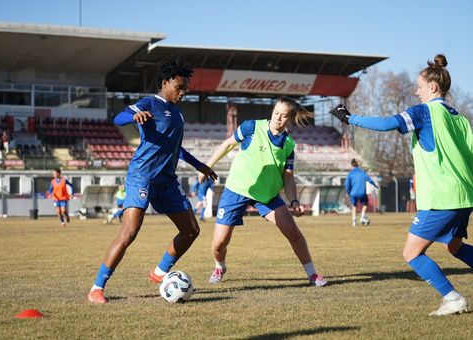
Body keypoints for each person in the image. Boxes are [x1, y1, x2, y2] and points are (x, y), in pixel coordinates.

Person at [330, 54, 473, 316]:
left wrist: (350, 119)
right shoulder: (461, 119)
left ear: (432, 87)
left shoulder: (425, 111)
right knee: (454, 247)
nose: (416, 92)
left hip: (442, 198)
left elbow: (388, 124)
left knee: (412, 253)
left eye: (419, 87)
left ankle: (453, 299)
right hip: (464, 197)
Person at [87, 59, 217, 304]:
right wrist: (134, 116)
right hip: (142, 176)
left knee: (191, 230)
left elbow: (175, 148)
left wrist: (199, 164)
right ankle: (97, 288)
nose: (183, 92)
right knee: (130, 232)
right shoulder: (149, 103)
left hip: (166, 180)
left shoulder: (178, 113)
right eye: (179, 87)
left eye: (185, 88)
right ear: (166, 82)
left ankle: (159, 273)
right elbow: (118, 119)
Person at [199, 96, 327, 287]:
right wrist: (207, 166)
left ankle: (312, 274)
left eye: (284, 116)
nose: (278, 118)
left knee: (293, 232)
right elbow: (227, 145)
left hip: (267, 196)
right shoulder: (251, 127)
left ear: (290, 118)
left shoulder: (288, 145)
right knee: (219, 243)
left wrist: (294, 201)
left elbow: (288, 175)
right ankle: (219, 266)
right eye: (276, 113)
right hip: (236, 189)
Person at [345, 158, 378, 227]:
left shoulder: (350, 174)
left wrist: (348, 192)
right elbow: (369, 179)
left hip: (353, 193)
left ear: (351, 165)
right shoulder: (362, 172)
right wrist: (375, 185)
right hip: (361, 192)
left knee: (354, 206)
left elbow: (347, 184)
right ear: (358, 165)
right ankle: (362, 216)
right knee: (365, 203)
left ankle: (354, 222)